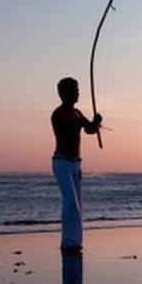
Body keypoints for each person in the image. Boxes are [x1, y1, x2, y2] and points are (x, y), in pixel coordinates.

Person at [51, 77, 102, 252]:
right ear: (64, 93)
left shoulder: (77, 113)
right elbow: (69, 128)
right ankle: (68, 241)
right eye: (75, 89)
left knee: (77, 202)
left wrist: (96, 122)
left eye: (78, 89)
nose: (78, 92)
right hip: (62, 162)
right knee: (70, 201)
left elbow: (89, 129)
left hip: (75, 163)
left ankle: (75, 241)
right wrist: (91, 124)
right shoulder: (59, 114)